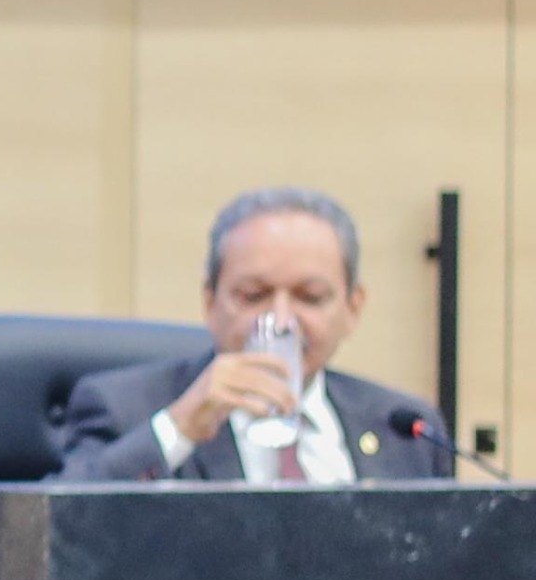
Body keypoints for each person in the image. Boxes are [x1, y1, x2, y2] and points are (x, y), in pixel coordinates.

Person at [54, 187, 452, 484]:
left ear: (352, 308)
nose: (280, 320)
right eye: (253, 296)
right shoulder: (124, 407)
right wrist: (181, 427)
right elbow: (48, 533)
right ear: (210, 302)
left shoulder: (405, 429)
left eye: (310, 297)